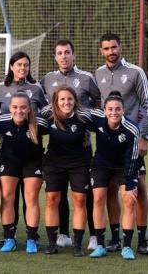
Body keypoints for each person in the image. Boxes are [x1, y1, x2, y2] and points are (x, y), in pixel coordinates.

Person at [95, 32, 148, 255]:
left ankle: (141, 239)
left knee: (139, 189)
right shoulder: (98, 74)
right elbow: (94, 104)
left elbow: (147, 105)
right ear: (101, 51)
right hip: (108, 144)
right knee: (110, 191)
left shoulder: (135, 72)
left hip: (131, 141)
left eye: (114, 47)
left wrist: (144, 137)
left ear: (120, 47)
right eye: (106, 48)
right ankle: (115, 238)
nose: (111, 52)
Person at [41, 39, 100, 250]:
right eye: (59, 53)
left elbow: (99, 101)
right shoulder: (47, 79)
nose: (63, 56)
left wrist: (84, 124)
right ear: (55, 56)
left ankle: (94, 235)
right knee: (57, 194)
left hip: (81, 146)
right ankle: (63, 234)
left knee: (85, 194)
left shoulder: (86, 78)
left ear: (73, 55)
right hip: (58, 147)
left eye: (67, 52)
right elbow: (40, 106)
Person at [0, 92, 49, 253]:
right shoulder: (0, 121)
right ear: (10, 108)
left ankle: (32, 239)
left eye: (23, 107)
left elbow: (59, 130)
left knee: (31, 198)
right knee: (7, 198)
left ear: (29, 109)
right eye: (15, 107)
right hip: (8, 161)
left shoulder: (39, 123)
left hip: (33, 162)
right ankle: (9, 238)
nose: (19, 110)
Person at [87, 91, 140, 260]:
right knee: (98, 198)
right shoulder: (97, 118)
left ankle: (126, 247)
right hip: (101, 164)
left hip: (124, 166)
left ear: (123, 110)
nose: (114, 112)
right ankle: (101, 245)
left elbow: (132, 159)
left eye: (118, 109)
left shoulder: (131, 129)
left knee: (129, 200)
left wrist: (131, 184)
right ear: (104, 110)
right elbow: (77, 111)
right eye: (110, 109)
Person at [41, 86, 93, 256]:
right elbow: (29, 120)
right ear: (55, 102)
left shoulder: (84, 117)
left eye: (69, 99)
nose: (66, 102)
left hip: (79, 163)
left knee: (79, 200)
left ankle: (77, 244)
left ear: (75, 101)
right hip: (54, 164)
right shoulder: (47, 116)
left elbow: (105, 120)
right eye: (62, 99)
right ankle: (51, 243)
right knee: (52, 199)